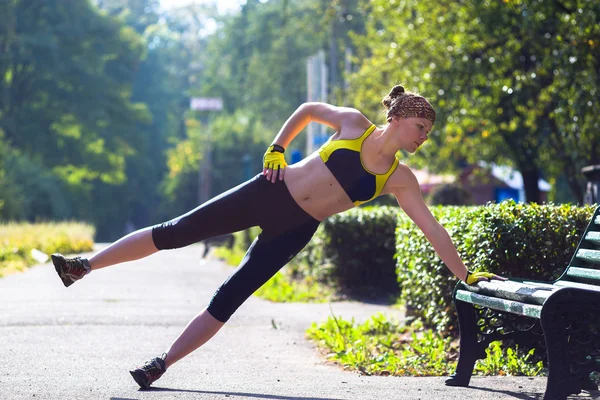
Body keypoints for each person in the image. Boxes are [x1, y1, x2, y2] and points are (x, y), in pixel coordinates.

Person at [51, 84, 506, 390]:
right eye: (421, 128)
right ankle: (82, 266)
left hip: (296, 229)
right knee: (178, 231)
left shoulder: (398, 178)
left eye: (427, 132)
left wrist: (465, 275)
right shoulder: (353, 123)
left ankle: (161, 364)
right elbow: (308, 110)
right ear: (401, 118)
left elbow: (432, 228)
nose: (424, 137)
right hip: (269, 191)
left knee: (232, 293)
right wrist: (277, 146)